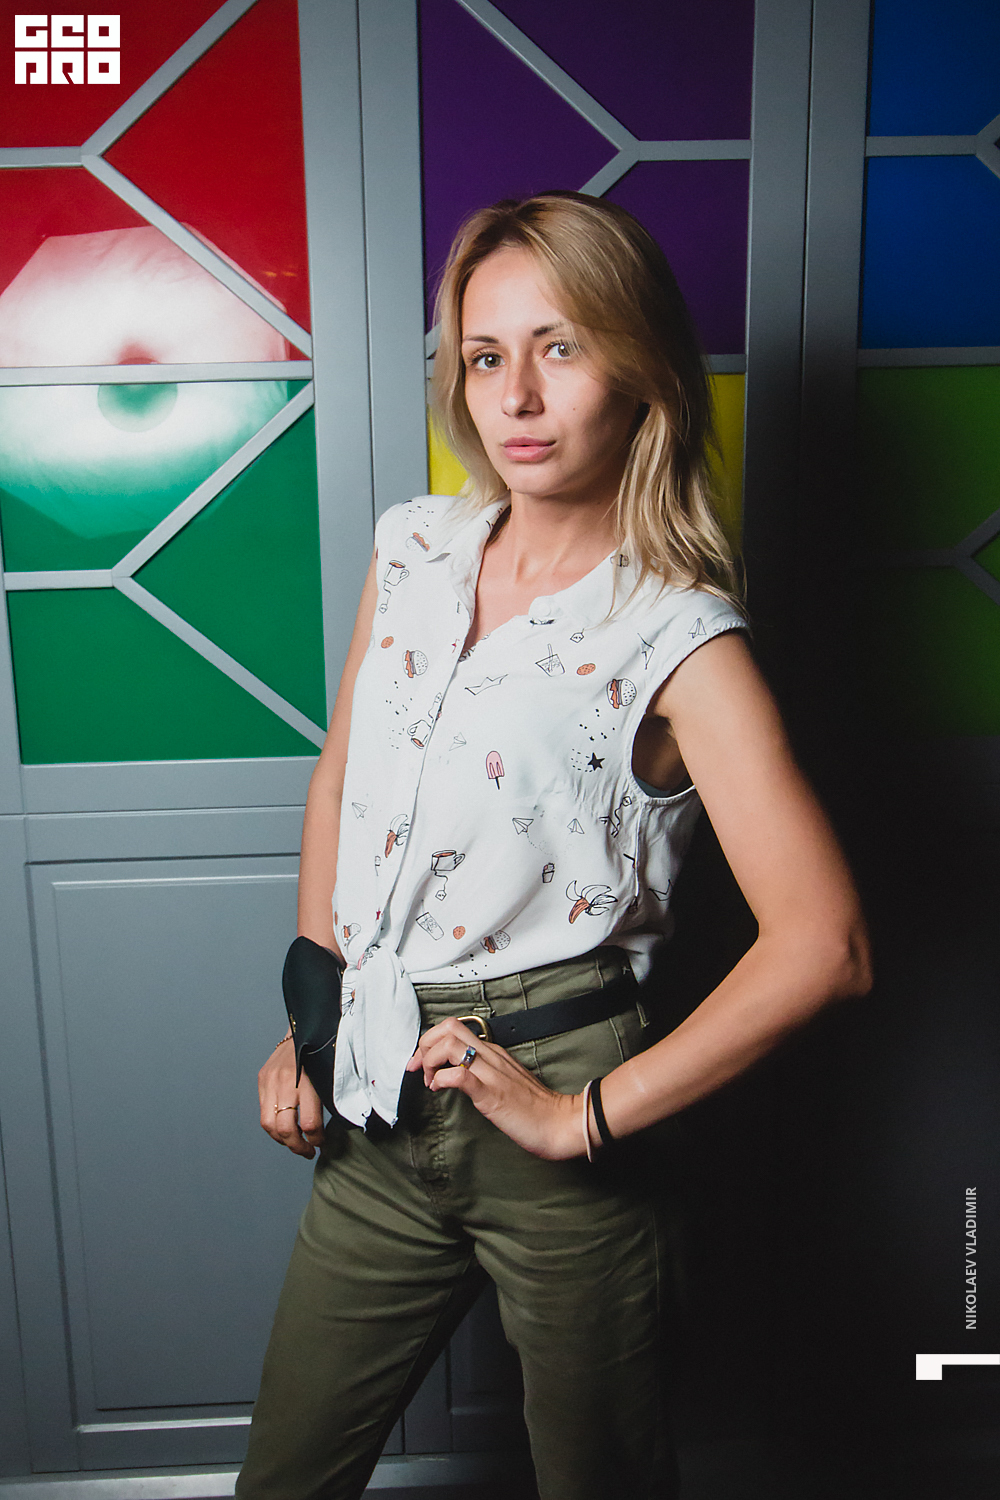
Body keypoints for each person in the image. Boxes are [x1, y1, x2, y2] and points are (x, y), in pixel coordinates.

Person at [236, 192, 871, 1500]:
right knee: (285, 1480)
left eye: (562, 346)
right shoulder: (414, 549)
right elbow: (345, 776)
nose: (516, 395)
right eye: (486, 355)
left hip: (561, 1093)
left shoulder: (680, 638)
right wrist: (314, 1010)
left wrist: (584, 1118)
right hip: (381, 1093)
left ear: (641, 372)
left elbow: (826, 947)